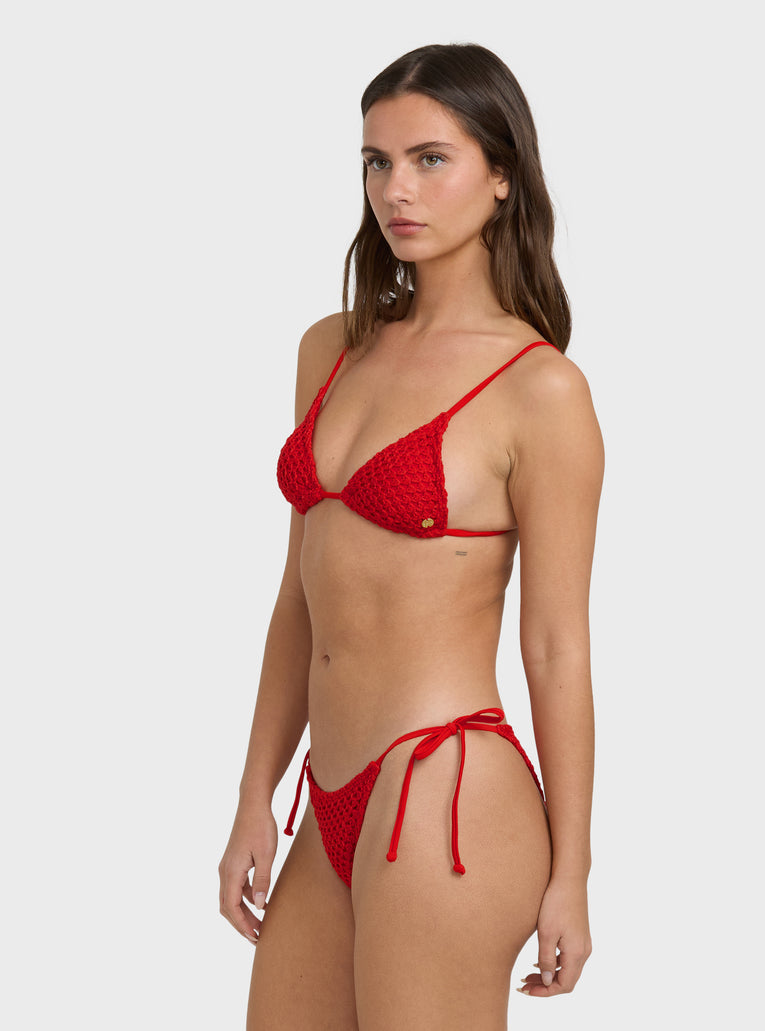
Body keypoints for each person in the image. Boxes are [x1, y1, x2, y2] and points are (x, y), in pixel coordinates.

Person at [219, 42, 604, 1029]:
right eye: (377, 161)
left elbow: (556, 644)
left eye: (431, 159)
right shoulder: (330, 350)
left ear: (502, 174)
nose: (397, 189)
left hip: (447, 794)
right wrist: (256, 793)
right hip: (327, 795)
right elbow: (299, 598)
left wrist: (572, 871)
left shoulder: (540, 389)